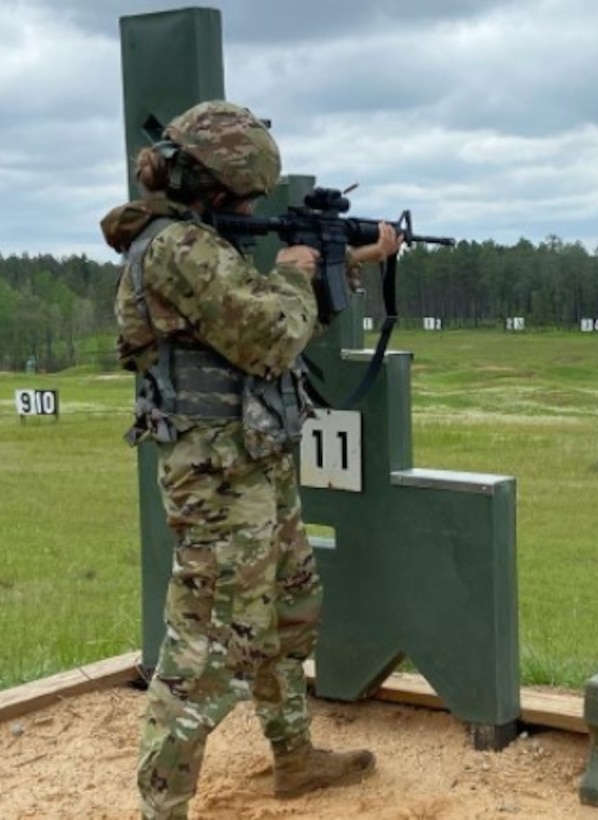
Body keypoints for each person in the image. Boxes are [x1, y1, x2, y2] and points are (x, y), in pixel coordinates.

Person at [100, 100, 402, 819]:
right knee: (207, 647)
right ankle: (161, 807)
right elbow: (268, 334)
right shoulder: (179, 248)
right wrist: (298, 271)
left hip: (255, 458)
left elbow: (272, 328)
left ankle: (294, 759)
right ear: (214, 182)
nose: (254, 203)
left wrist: (341, 264)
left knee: (289, 614)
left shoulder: (207, 243)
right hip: (216, 475)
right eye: (246, 192)